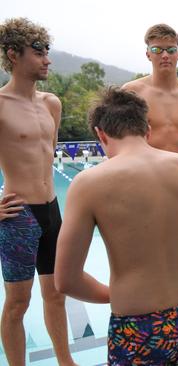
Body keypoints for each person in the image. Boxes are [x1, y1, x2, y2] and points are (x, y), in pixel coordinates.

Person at [53, 88, 178, 365]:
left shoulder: (89, 184)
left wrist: (112, 294)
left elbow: (65, 279)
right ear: (148, 129)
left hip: (137, 326)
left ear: (101, 134)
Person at [0, 18, 76, 366]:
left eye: (47, 51)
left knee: (57, 294)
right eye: (38, 52)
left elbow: (47, 155)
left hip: (52, 210)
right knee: (18, 303)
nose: (47, 59)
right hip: (19, 217)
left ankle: (66, 362)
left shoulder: (51, 103)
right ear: (13, 55)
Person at [122, 24, 178, 164]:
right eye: (157, 49)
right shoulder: (132, 92)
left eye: (171, 50)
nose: (165, 55)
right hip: (145, 176)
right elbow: (115, 139)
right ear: (148, 54)